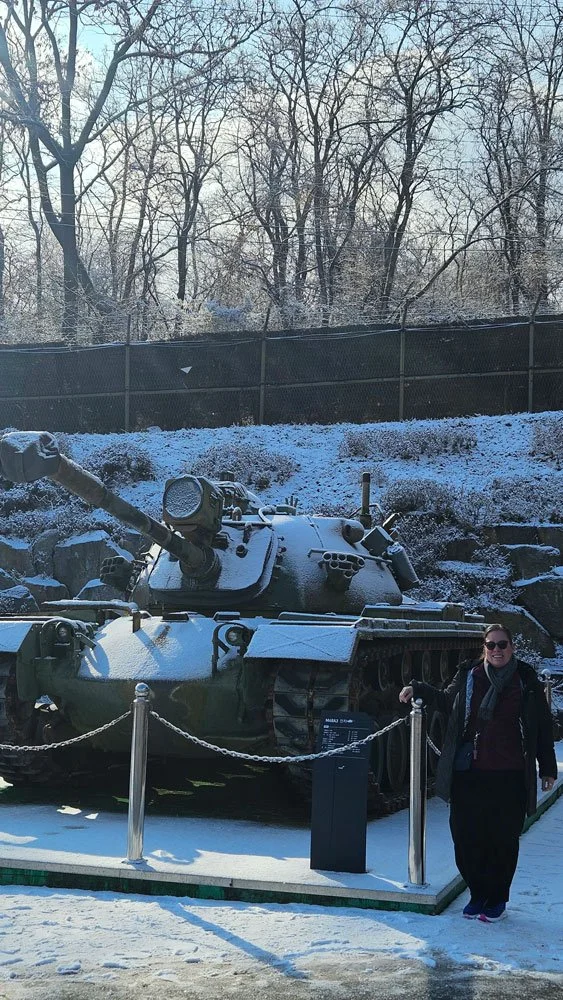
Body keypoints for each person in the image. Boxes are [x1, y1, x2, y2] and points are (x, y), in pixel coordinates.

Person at [399, 624, 557, 923]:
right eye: (491, 645)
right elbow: (447, 701)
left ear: (512, 647)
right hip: (470, 771)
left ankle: (496, 898)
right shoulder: (470, 674)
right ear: (483, 647)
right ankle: (477, 892)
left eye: (502, 644)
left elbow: (541, 726)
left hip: (510, 774)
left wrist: (547, 767)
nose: (496, 650)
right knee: (465, 836)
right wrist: (418, 688)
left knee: (503, 839)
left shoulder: (525, 679)